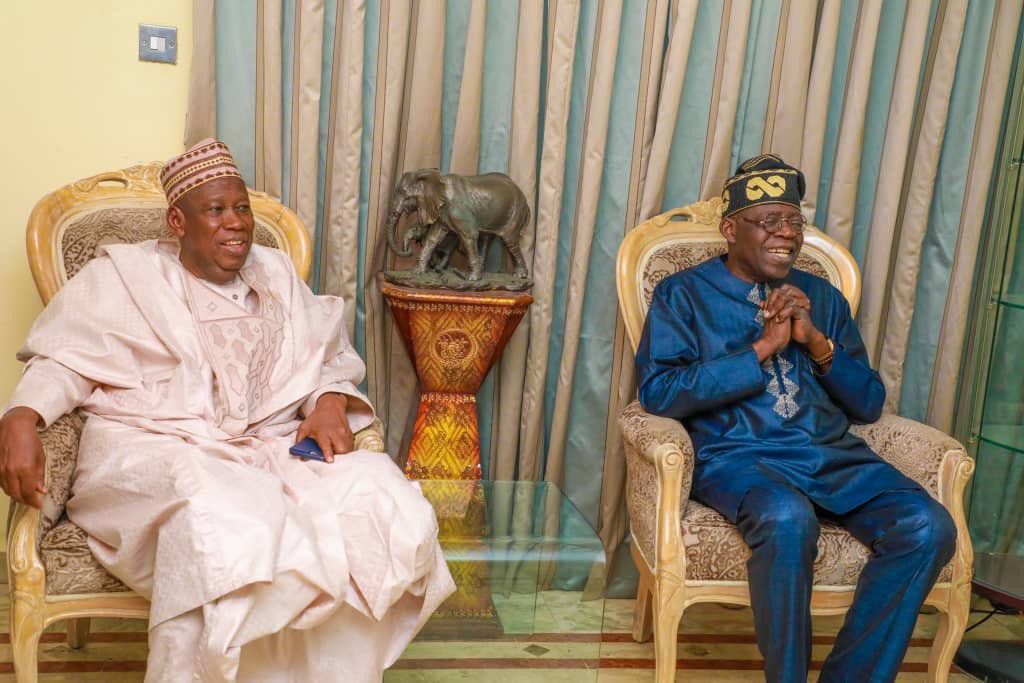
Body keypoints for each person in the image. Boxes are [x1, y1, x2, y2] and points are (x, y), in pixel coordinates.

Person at [0, 139, 455, 682]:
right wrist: (22, 415)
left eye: (241, 208)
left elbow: (324, 355)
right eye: (215, 210)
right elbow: (62, 361)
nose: (235, 223)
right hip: (155, 444)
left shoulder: (277, 273)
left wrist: (329, 401)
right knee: (217, 517)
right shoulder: (124, 278)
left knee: (382, 499)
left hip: (271, 444)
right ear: (177, 220)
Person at [635, 154, 956, 682]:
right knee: (786, 517)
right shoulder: (683, 294)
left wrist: (817, 342)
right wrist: (761, 348)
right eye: (770, 223)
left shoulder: (823, 297)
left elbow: (869, 404)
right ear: (730, 229)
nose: (786, 235)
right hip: (739, 457)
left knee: (927, 526)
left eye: (794, 223)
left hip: (830, 455)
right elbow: (659, 392)